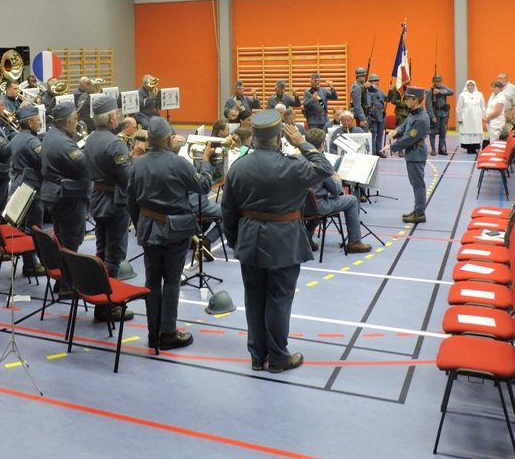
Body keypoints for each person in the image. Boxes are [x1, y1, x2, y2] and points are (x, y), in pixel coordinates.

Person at [222, 111, 330, 373]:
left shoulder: (238, 167)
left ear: (254, 136)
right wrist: (302, 143)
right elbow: (325, 168)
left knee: (254, 299)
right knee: (279, 299)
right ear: (280, 136)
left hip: (249, 239)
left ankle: (257, 355)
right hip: (284, 241)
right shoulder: (293, 165)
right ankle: (278, 357)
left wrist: (236, 242)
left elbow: (228, 211)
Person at [129, 117, 217, 350]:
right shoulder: (179, 164)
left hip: (148, 229)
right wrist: (206, 163)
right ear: (169, 139)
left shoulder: (137, 164)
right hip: (176, 232)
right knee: (171, 282)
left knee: (151, 282)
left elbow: (131, 201)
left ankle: (153, 333)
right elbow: (203, 186)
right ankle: (167, 332)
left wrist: (140, 226)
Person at [83, 95, 135, 286]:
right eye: (117, 115)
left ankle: (99, 285)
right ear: (111, 118)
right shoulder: (115, 144)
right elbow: (127, 177)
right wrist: (136, 160)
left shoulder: (90, 139)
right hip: (114, 201)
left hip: (97, 197)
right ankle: (110, 294)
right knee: (115, 253)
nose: (118, 118)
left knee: (101, 246)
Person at [303, 128, 372, 254]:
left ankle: (305, 238)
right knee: (352, 200)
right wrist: (337, 179)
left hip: (300, 205)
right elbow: (336, 190)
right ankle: (355, 242)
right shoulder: (322, 164)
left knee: (315, 202)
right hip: (318, 206)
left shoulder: (298, 159)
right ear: (322, 145)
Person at [40, 102, 90, 253]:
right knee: (71, 242)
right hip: (67, 196)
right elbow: (85, 165)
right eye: (75, 119)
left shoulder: (51, 134)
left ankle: (62, 266)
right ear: (67, 122)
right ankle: (67, 268)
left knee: (61, 238)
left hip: (54, 192)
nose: (77, 122)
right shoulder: (63, 142)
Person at [7, 102, 45, 277]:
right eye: (38, 120)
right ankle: (31, 264)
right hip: (31, 186)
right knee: (33, 227)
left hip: (19, 183)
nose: (40, 122)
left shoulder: (16, 137)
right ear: (30, 122)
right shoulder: (32, 141)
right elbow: (43, 161)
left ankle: (29, 262)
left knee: (23, 225)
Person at [389, 87, 430, 224]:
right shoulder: (413, 114)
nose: (406, 101)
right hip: (413, 153)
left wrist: (392, 147)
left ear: (416, 100)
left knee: (418, 184)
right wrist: (396, 131)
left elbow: (409, 138)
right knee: (415, 183)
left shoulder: (421, 119)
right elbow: (404, 126)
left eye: (408, 98)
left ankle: (419, 213)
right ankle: (417, 209)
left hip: (416, 153)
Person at [425, 74, 454, 155]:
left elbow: (451, 92)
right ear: (433, 81)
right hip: (435, 114)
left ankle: (441, 149)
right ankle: (433, 149)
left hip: (444, 114)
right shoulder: (430, 91)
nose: (438, 82)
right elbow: (428, 105)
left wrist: (440, 91)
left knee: (443, 132)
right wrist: (432, 116)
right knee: (433, 132)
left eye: (440, 81)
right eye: (436, 81)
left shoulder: (443, 88)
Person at [456, 80, 485, 154]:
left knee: (476, 131)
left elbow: (483, 106)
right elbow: (459, 108)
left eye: (472, 85)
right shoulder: (462, 95)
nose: (470, 87)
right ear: (466, 86)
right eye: (468, 85)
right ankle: (469, 148)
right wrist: (459, 118)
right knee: (467, 131)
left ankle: (475, 147)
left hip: (477, 117)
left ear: (475, 86)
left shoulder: (479, 94)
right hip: (466, 117)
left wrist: (484, 116)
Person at [366, 74, 387, 156]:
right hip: (373, 116)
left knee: (380, 134)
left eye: (377, 80)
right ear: (370, 82)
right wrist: (370, 114)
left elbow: (387, 98)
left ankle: (379, 150)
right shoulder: (368, 91)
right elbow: (368, 104)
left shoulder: (380, 90)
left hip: (381, 115)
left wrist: (391, 92)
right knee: (373, 135)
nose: (376, 82)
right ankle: (373, 151)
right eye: (374, 81)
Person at [484, 80, 507, 145]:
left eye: (495, 87)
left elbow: (497, 112)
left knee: (494, 140)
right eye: (492, 87)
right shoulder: (492, 95)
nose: (493, 88)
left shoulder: (501, 97)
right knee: (491, 138)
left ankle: (495, 151)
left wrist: (488, 118)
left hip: (497, 121)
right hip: (490, 121)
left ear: (500, 88)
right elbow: (489, 107)